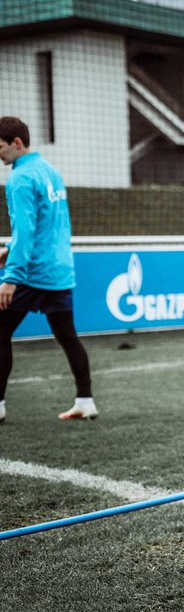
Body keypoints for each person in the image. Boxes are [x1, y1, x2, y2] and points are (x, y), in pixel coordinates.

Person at [0, 116, 96, 422]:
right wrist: (11, 251)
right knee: (67, 334)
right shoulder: (50, 172)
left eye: (0, 147)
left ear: (17, 143)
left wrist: (12, 276)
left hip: (32, 272)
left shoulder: (20, 179)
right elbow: (47, 226)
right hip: (59, 270)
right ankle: (85, 400)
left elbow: (26, 230)